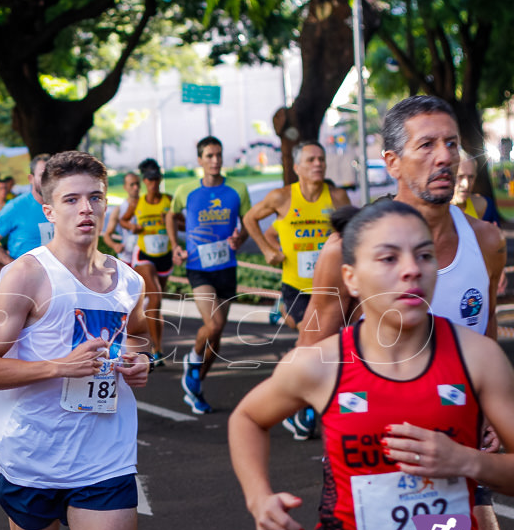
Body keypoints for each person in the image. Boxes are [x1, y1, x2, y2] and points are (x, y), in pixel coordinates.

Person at [229, 200, 514, 530]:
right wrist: (259, 499)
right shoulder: (320, 364)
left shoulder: (478, 358)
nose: (412, 270)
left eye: (424, 255)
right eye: (388, 259)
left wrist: (467, 461)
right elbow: (246, 418)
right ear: (351, 278)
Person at [296, 95, 509, 530]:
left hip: (457, 439)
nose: (445, 157)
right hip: (373, 447)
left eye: (452, 144)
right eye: (427, 145)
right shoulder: (347, 248)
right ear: (391, 161)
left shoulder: (486, 243)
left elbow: (486, 333)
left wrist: (492, 406)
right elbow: (310, 349)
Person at [0, 150, 151, 530]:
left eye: (94, 197)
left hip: (103, 454)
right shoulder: (26, 275)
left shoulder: (128, 280)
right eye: (71, 199)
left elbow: (136, 340)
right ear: (48, 211)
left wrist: (138, 363)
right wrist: (57, 367)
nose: (85, 208)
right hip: (35, 453)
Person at [165, 138, 251, 414]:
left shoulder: (238, 189)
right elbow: (171, 215)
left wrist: (241, 237)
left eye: (218, 155)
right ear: (200, 160)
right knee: (212, 325)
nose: (215, 160)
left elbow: (248, 222)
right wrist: (175, 246)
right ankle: (192, 359)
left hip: (227, 267)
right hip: (199, 268)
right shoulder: (186, 190)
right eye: (209, 156)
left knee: (217, 336)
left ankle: (195, 386)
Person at [242, 141, 352, 329]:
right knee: (311, 331)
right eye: (311, 160)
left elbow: (351, 230)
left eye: (321, 160)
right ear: (297, 168)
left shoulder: (338, 197)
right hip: (296, 284)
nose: (318, 164)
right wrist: (267, 250)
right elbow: (249, 218)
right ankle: (286, 310)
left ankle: (286, 314)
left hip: (331, 282)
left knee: (328, 334)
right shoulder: (282, 197)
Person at [120, 159, 172, 366]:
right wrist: (132, 227)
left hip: (164, 256)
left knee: (154, 305)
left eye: (156, 179)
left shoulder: (168, 200)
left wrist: (171, 219)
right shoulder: (137, 203)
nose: (153, 183)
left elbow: (184, 224)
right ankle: (157, 350)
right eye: (149, 180)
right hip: (144, 256)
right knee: (156, 298)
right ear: (145, 181)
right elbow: (124, 220)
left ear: (160, 180)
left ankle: (151, 344)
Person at [0, 154, 53, 266]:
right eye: (42, 175)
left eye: (51, 175)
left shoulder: (62, 206)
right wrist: (14, 267)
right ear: (31, 179)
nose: (47, 180)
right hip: (28, 280)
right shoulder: (15, 207)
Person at [102, 172, 140, 265]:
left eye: (137, 184)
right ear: (125, 187)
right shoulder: (119, 209)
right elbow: (107, 235)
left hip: (146, 256)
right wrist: (115, 245)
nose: (136, 187)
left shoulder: (147, 206)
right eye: (132, 185)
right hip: (127, 257)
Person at [452, 152, 487, 219]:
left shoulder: (479, 205)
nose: (466, 184)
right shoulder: (437, 209)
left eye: (471, 177)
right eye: (460, 176)